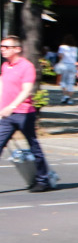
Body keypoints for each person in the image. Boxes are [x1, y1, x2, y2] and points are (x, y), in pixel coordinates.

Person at [0, 37, 54, 191]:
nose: (2, 49)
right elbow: (2, 86)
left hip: (23, 113)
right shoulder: (5, 65)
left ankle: (43, 181)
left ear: (17, 49)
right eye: (1, 46)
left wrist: (12, 106)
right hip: (7, 115)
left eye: (6, 46)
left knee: (33, 146)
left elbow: (27, 90)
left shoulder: (26, 66)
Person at [55, 34, 78, 104]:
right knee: (71, 82)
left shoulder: (62, 47)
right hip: (72, 65)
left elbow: (60, 56)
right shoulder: (75, 48)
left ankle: (65, 96)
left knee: (63, 81)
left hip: (64, 64)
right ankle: (70, 99)